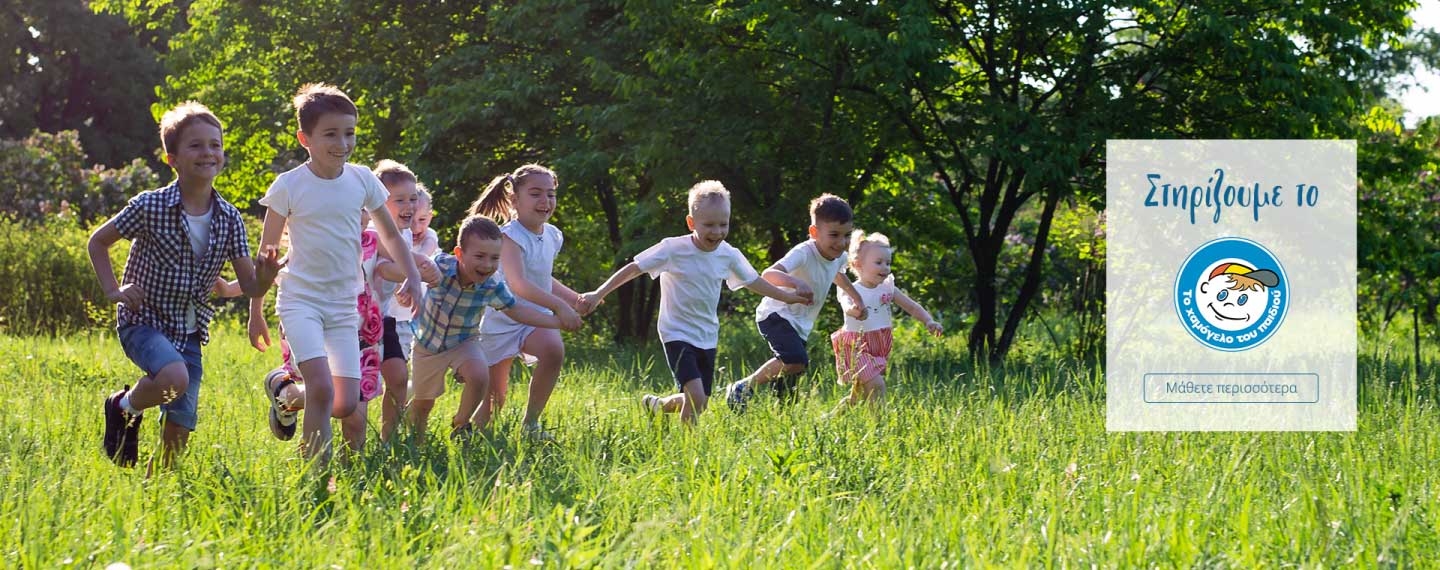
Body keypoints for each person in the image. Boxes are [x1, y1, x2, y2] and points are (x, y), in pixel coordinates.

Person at [88, 101, 279, 469]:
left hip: (190, 331)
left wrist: (267, 274)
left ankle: (154, 492)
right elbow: (98, 241)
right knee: (174, 378)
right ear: (172, 158)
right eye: (196, 145)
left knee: (180, 427)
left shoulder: (229, 219)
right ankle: (122, 406)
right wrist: (113, 290)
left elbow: (251, 287)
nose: (208, 152)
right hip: (144, 321)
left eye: (215, 145)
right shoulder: (151, 206)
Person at [248, 83, 424, 463]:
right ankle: (317, 480)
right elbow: (267, 257)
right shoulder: (288, 186)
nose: (342, 143)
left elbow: (391, 234)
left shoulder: (362, 179)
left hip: (344, 307)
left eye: (349, 133)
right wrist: (255, 311)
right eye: (331, 134)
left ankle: (284, 394)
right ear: (305, 138)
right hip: (301, 302)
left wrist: (413, 277)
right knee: (323, 390)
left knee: (344, 403)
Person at [579, 181, 811, 423]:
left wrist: (787, 296)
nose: (717, 232)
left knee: (700, 402)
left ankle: (657, 406)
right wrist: (599, 293)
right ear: (691, 223)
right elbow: (634, 269)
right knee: (696, 399)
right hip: (676, 332)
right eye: (709, 225)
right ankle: (686, 452)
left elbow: (754, 282)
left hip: (707, 335)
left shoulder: (728, 255)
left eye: (724, 224)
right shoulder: (673, 249)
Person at [407, 215, 563, 443]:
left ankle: (461, 422)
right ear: (459, 254)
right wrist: (408, 282)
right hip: (428, 344)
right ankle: (415, 442)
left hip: (464, 342)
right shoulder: (440, 265)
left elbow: (516, 310)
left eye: (494, 258)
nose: (487, 265)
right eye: (480, 256)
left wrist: (557, 321)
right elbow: (411, 266)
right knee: (423, 403)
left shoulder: (492, 286)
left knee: (480, 376)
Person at [467, 165, 583, 441]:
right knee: (495, 399)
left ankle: (531, 424)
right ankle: (468, 436)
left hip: (534, 317)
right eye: (535, 194)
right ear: (514, 200)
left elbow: (542, 278)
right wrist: (559, 307)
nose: (545, 201)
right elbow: (519, 284)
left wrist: (573, 299)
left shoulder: (553, 235)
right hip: (502, 319)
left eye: (551, 194)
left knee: (553, 350)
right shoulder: (508, 236)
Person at [724, 194, 866, 412]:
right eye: (834, 235)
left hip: (800, 325)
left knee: (788, 387)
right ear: (814, 233)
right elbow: (769, 274)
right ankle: (743, 387)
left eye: (847, 235)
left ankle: (782, 418)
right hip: (776, 314)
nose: (841, 242)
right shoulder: (804, 252)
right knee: (795, 360)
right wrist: (795, 283)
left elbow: (839, 276)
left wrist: (857, 298)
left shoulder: (837, 256)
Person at [826, 230, 943, 414]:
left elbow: (911, 306)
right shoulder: (851, 289)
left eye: (888, 263)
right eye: (878, 262)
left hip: (879, 343)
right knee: (877, 385)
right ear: (858, 264)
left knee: (859, 395)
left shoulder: (887, 287)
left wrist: (928, 321)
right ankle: (877, 427)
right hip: (855, 345)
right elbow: (847, 307)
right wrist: (856, 311)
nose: (885, 267)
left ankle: (833, 416)